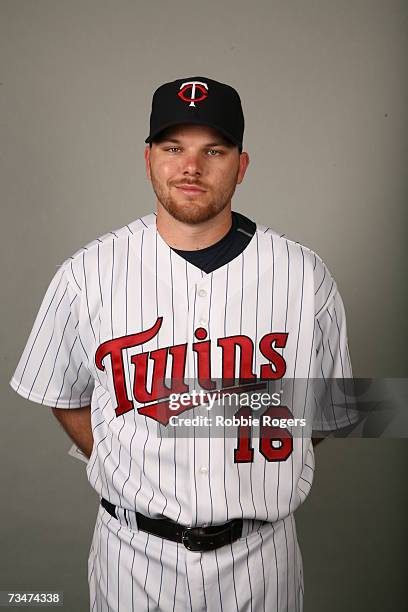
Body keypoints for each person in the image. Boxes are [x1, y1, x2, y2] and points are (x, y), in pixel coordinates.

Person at [10, 76, 355, 611]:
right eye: (174, 148)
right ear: (148, 158)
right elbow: (62, 392)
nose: (190, 167)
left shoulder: (303, 276)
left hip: (262, 560)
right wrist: (131, 462)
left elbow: (328, 412)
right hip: (132, 556)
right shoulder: (88, 273)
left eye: (212, 150)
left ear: (241, 165)